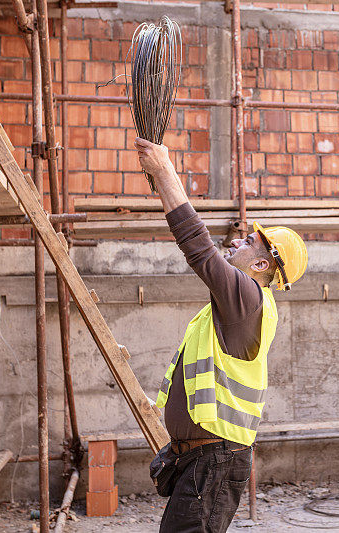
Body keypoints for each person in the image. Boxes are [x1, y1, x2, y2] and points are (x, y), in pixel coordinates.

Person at [134, 137, 308, 532]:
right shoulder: (232, 306)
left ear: (262, 263)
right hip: (201, 459)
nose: (235, 241)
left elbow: (198, 248)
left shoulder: (248, 297)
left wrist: (164, 172)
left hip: (214, 459)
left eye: (247, 241)